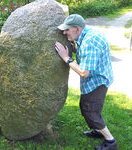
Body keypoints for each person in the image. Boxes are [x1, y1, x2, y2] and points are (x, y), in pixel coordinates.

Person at [55, 14, 117, 150]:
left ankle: (110, 141)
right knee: (85, 107)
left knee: (91, 111)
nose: (64, 32)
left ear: (77, 28)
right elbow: (86, 54)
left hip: (97, 81)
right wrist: (75, 48)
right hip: (94, 79)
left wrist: (66, 58)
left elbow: (84, 73)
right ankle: (97, 129)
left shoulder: (90, 41)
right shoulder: (84, 36)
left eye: (67, 30)